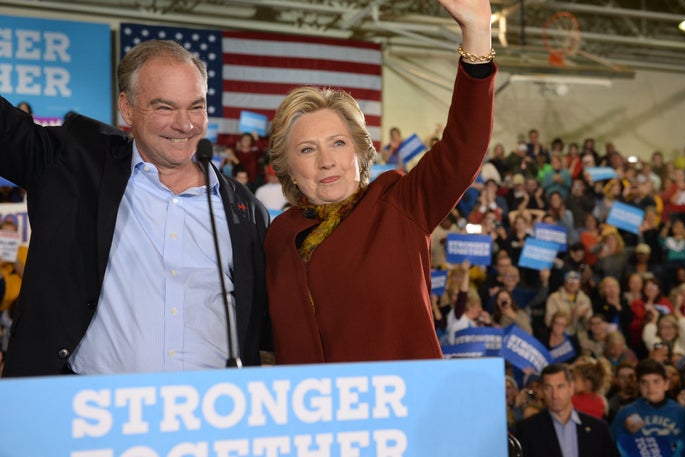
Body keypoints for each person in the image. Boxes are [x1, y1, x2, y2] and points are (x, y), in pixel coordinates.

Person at [0, 40, 272, 377]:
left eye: (196, 107)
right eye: (164, 107)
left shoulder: (245, 210)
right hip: (88, 414)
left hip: (209, 417)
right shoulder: (73, 166)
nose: (185, 124)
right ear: (127, 108)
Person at [263, 0, 496, 364]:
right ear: (289, 168)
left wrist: (478, 35)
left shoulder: (398, 204)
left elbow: (462, 150)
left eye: (338, 143)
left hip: (401, 412)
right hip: (313, 416)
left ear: (360, 150)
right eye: (307, 150)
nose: (327, 161)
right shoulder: (277, 236)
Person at [514, 363, 619, 457]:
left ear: (571, 387)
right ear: (543, 390)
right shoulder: (527, 430)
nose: (555, 395)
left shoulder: (598, 429)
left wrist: (527, 395)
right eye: (548, 388)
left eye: (560, 387)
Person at [611, 358, 685, 457]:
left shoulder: (682, 413)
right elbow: (611, 447)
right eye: (644, 382)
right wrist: (626, 433)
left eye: (656, 381)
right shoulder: (626, 413)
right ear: (638, 385)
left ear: (666, 384)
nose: (650, 387)